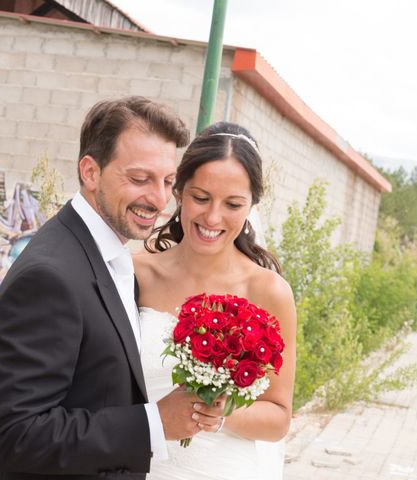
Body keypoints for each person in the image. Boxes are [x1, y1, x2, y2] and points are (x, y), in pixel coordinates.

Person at [0, 97, 225, 480]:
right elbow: (13, 435)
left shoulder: (110, 257)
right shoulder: (50, 277)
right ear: (90, 172)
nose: (158, 198)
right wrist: (154, 423)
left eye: (167, 182)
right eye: (140, 179)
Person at [134, 121, 297, 480]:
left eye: (233, 204)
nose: (212, 218)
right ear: (179, 192)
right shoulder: (135, 275)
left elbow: (278, 417)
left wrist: (222, 412)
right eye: (201, 197)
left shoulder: (268, 292)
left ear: (252, 204)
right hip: (143, 465)